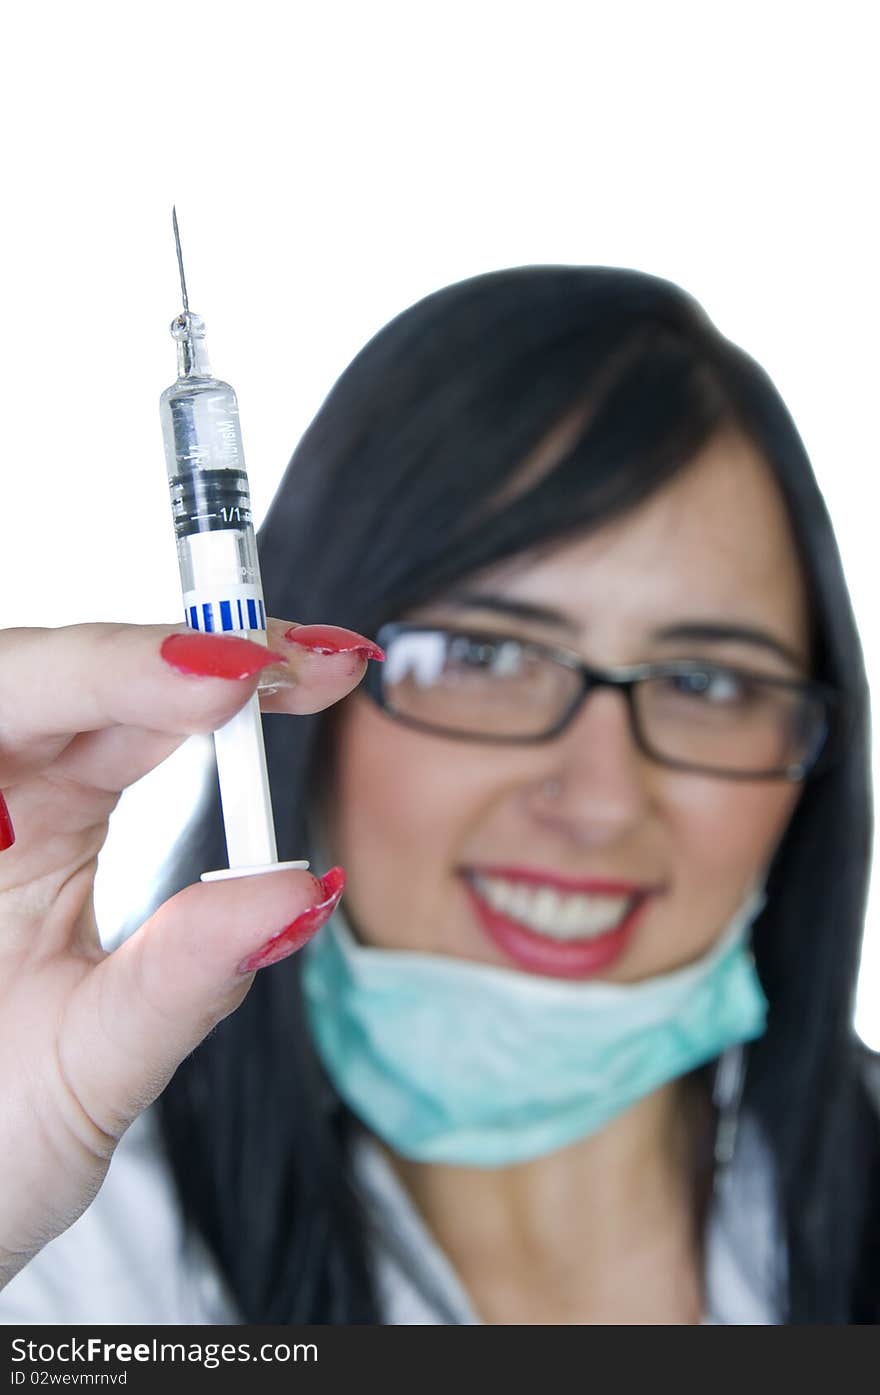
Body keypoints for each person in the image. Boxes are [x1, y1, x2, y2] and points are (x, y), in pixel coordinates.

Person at [0, 265, 877, 1326]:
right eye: (482, 654)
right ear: (304, 687)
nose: (600, 800)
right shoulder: (61, 1251)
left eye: (703, 682)